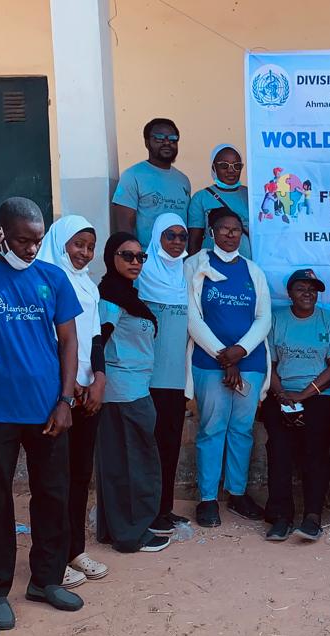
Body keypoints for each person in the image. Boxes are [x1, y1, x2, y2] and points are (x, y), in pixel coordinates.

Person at [0, 197, 85, 629]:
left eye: (37, 240)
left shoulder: (53, 277)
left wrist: (65, 401)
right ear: (2, 234)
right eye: (22, 240)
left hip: (47, 407)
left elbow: (69, 341)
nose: (31, 249)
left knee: (53, 495)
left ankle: (46, 580)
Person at [185, 207, 272, 528]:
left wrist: (240, 352)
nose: (231, 234)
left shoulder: (253, 271)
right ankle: (208, 498)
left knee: (242, 430)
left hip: (250, 363)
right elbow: (192, 317)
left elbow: (264, 318)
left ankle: (237, 493)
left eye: (236, 229)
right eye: (224, 229)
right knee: (212, 428)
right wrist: (224, 355)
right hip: (209, 363)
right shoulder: (195, 266)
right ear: (212, 232)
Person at [36, 215, 110, 588]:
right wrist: (68, 387)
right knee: (55, 480)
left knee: (80, 474)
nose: (84, 253)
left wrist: (97, 378)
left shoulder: (88, 286)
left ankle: (74, 550)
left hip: (85, 392)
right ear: (60, 242)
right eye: (78, 244)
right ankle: (52, 557)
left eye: (90, 247)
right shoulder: (44, 279)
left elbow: (94, 337)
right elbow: (49, 339)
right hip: (58, 393)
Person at [94, 233, 172, 553]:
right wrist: (99, 380)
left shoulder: (127, 295)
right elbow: (99, 340)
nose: (136, 262)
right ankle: (131, 534)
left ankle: (115, 530)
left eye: (141, 257)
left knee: (123, 463)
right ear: (111, 257)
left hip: (134, 389)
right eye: (127, 256)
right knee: (133, 465)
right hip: (122, 393)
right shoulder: (111, 296)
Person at [263, 269, 330, 542]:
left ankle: (312, 516)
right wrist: (282, 394)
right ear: (289, 293)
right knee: (278, 445)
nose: (308, 294)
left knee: (315, 443)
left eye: (313, 289)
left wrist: (303, 396)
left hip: (321, 394)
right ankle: (281, 516)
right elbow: (270, 364)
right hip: (282, 393)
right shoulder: (277, 320)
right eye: (301, 288)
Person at [136, 213, 192, 533]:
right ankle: (146, 512)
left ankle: (165, 509)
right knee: (149, 446)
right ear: (157, 236)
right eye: (169, 235)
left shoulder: (186, 276)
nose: (176, 242)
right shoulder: (141, 275)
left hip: (175, 378)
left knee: (170, 446)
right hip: (147, 378)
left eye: (182, 236)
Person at [112, 118, 192, 250]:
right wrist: (133, 256)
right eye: (159, 138)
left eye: (173, 139)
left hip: (178, 258)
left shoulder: (183, 180)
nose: (167, 143)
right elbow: (124, 226)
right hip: (146, 257)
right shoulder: (132, 176)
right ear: (147, 142)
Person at [187, 144, 251, 257]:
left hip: (248, 264)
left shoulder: (250, 195)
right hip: (211, 264)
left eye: (236, 166)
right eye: (224, 165)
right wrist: (194, 265)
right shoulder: (201, 197)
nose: (231, 170)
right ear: (213, 167)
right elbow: (194, 241)